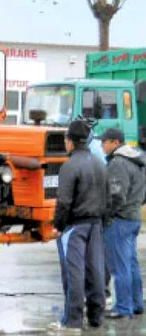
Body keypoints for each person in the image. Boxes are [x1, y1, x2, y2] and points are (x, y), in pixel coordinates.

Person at [50, 119, 109, 332]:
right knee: (96, 271)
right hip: (96, 224)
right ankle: (96, 317)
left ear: (70, 142)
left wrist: (58, 225)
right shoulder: (100, 163)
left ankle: (71, 321)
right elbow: (108, 196)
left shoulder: (69, 165)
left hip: (74, 226)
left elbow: (64, 201)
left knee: (73, 273)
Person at [101, 128, 145, 319]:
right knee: (131, 263)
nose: (102, 146)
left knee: (120, 266)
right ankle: (137, 303)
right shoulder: (139, 160)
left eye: (104, 142)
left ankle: (123, 307)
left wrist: (107, 216)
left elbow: (116, 195)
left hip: (120, 220)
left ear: (115, 142)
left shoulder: (118, 163)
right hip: (134, 217)